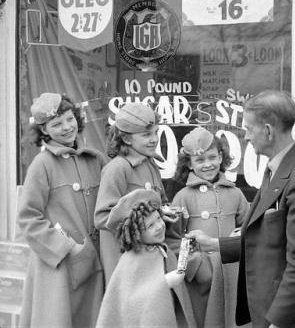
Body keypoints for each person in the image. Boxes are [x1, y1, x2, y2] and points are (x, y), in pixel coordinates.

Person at [187, 90, 295, 328]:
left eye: (249, 128)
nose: (245, 136)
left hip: (290, 320)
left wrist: (277, 322)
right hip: (268, 311)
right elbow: (266, 238)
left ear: (268, 131)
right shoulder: (276, 169)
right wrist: (214, 245)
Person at [17, 93, 105, 328]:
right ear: (44, 131)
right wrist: (67, 248)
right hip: (59, 266)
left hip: (96, 262)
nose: (67, 128)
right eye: (56, 124)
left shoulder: (95, 160)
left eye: (69, 119)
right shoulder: (42, 165)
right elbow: (28, 218)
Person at [173, 126, 249, 328]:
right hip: (200, 278)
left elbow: (249, 229)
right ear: (189, 164)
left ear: (221, 156)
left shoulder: (236, 194)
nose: (207, 164)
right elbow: (175, 238)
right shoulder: (183, 196)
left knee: (232, 319)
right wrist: (193, 267)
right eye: (199, 160)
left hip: (232, 272)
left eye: (212, 157)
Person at [94, 102, 177, 283]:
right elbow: (102, 217)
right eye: (146, 135)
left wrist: (165, 212)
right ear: (126, 139)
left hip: (149, 256)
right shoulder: (117, 169)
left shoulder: (151, 164)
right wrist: (141, 221)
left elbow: (158, 203)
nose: (154, 139)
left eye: (156, 132)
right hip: (125, 259)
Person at [96, 188, 197, 328]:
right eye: (150, 226)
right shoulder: (131, 261)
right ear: (134, 233)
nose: (159, 227)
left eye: (158, 218)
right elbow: (131, 302)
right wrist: (165, 282)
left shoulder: (162, 250)